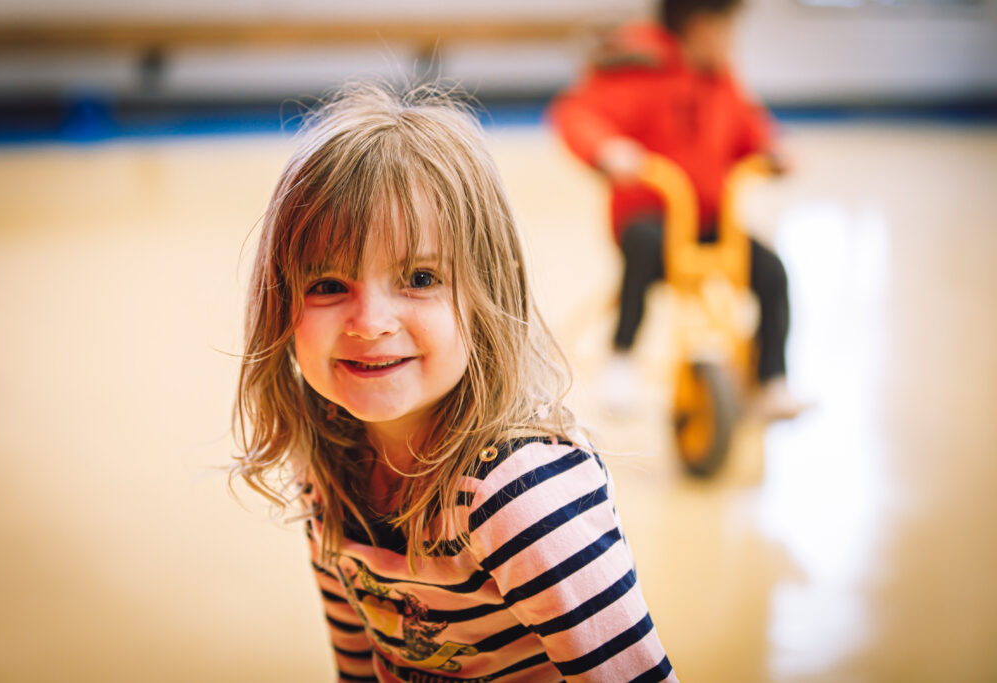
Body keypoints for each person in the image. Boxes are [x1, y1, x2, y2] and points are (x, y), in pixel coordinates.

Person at [232, 83, 678, 683]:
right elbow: (357, 663)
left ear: (491, 290)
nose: (370, 323)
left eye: (419, 278)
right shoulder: (326, 459)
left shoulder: (522, 495)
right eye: (329, 286)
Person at [549, 0, 803, 419]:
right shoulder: (639, 67)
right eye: (725, 31)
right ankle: (622, 358)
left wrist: (773, 149)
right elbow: (578, 114)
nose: (731, 43)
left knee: (771, 271)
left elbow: (750, 126)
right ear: (698, 26)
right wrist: (608, 149)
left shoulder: (720, 80)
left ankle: (771, 379)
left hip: (708, 222)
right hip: (651, 217)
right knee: (643, 250)